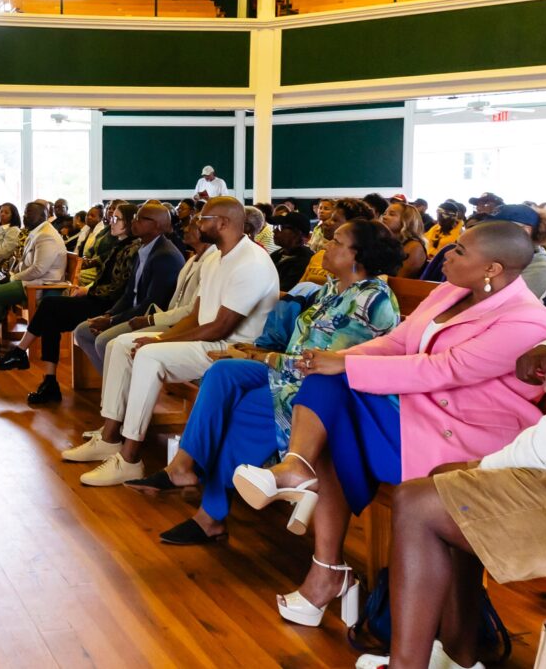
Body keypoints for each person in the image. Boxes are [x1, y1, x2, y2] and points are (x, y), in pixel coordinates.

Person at [230, 221, 546, 629]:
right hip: (415, 411)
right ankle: (301, 480)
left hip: (461, 437)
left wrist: (347, 365)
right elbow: (399, 342)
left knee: (331, 410)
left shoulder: (528, 321)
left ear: (492, 269)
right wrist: (342, 360)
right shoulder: (449, 291)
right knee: (328, 400)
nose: (446, 255)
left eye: (460, 251)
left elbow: (446, 369)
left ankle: (316, 539)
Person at [374, 211, 546, 669]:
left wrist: (480, 467)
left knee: (423, 500)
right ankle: (458, 654)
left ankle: (412, 662)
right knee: (448, 497)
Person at [127, 219, 404, 546]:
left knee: (244, 406)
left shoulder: (371, 300)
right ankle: (183, 466)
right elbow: (299, 350)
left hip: (324, 393)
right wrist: (256, 356)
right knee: (222, 373)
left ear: (359, 255)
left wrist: (261, 358)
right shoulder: (332, 288)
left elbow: (323, 367)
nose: (325, 245)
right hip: (288, 372)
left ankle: (210, 516)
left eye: (336, 242)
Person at [64, 197, 280, 487]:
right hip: (206, 340)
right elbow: (196, 314)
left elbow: (219, 327)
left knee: (149, 356)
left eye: (203, 219)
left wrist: (157, 345)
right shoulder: (215, 256)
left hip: (230, 351)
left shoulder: (251, 262)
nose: (196, 224)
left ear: (223, 223)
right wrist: (162, 337)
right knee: (122, 344)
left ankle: (130, 460)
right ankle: (110, 437)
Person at [0, 205, 184, 407]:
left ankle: (117, 393)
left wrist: (108, 315)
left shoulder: (148, 252)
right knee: (52, 311)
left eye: (118, 219)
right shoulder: (135, 247)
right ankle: (51, 379)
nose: (111, 221)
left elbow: (137, 298)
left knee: (53, 309)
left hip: (123, 308)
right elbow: (127, 291)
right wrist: (102, 304)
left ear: (154, 225)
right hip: (113, 305)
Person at [73, 214, 214, 373]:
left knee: (107, 342)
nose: (186, 228)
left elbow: (158, 303)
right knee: (83, 332)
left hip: (168, 320)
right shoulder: (146, 249)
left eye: (140, 218)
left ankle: (122, 388)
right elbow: (128, 293)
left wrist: (115, 321)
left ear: (156, 225)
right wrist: (109, 316)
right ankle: (115, 385)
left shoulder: (166, 255)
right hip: (156, 316)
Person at [0, 201, 67, 358]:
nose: (25, 216)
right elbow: (25, 263)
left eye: (29, 213)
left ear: (43, 216)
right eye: (25, 212)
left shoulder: (47, 236)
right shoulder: (35, 232)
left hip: (40, 285)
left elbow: (38, 269)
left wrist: (13, 277)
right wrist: (11, 273)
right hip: (29, 280)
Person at [476, 203, 546, 298]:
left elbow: (502, 303)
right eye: (487, 228)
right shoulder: (501, 257)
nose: (489, 234)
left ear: (526, 231)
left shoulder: (543, 269)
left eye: (498, 229)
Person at [299, 198, 376, 285]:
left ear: (353, 226)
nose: (327, 223)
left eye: (335, 220)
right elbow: (297, 291)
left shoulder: (361, 266)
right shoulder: (320, 255)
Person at [268, 212, 316, 290]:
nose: (274, 231)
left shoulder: (305, 260)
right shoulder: (277, 254)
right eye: (275, 227)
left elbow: (284, 290)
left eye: (281, 227)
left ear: (298, 233)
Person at [380, 202, 428, 279]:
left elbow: (400, 280)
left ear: (407, 220)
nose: (384, 217)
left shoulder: (414, 247)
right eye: (384, 213)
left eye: (392, 214)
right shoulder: (385, 242)